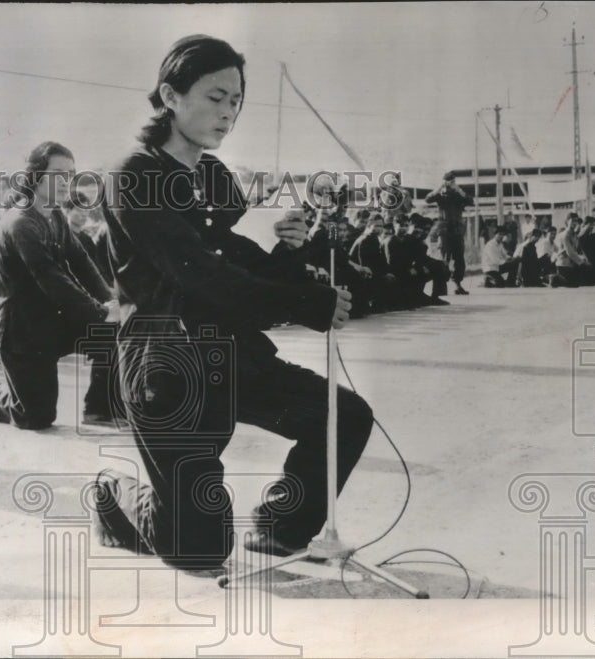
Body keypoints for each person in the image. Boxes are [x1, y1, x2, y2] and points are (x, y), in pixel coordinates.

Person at [92, 35, 373, 572]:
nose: (228, 113)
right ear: (170, 96)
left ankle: (277, 525)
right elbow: (201, 276)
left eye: (236, 101)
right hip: (167, 364)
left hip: (230, 351)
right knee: (197, 549)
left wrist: (288, 252)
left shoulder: (216, 177)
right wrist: (307, 303)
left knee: (343, 417)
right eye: (216, 97)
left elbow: (244, 263)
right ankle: (113, 494)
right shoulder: (136, 175)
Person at [0, 141, 121, 429]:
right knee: (36, 417)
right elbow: (51, 277)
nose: (67, 181)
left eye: (71, 173)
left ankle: (99, 409)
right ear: (35, 175)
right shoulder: (19, 222)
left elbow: (81, 263)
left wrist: (111, 302)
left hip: (52, 322)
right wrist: (100, 311)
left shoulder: (55, 215)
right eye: (59, 173)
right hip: (21, 333)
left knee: (115, 329)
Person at [425, 172, 473, 295]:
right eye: (449, 182)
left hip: (457, 231)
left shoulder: (458, 195)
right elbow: (428, 199)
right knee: (444, 258)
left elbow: (470, 200)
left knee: (459, 259)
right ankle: (441, 285)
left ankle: (457, 283)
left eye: (453, 182)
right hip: (444, 231)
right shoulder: (440, 195)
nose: (451, 184)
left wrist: (458, 189)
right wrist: (440, 187)